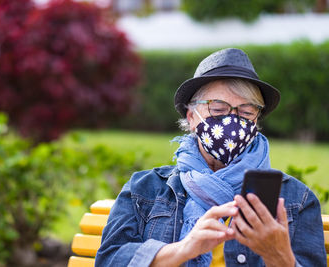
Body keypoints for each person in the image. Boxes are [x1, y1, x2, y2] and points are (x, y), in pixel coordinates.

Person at [94, 48, 326, 267]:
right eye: (218, 109)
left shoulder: (296, 199)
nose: (232, 122)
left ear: (256, 121)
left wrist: (281, 257)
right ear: (192, 117)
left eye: (246, 112)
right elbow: (109, 259)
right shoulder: (144, 189)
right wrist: (183, 249)